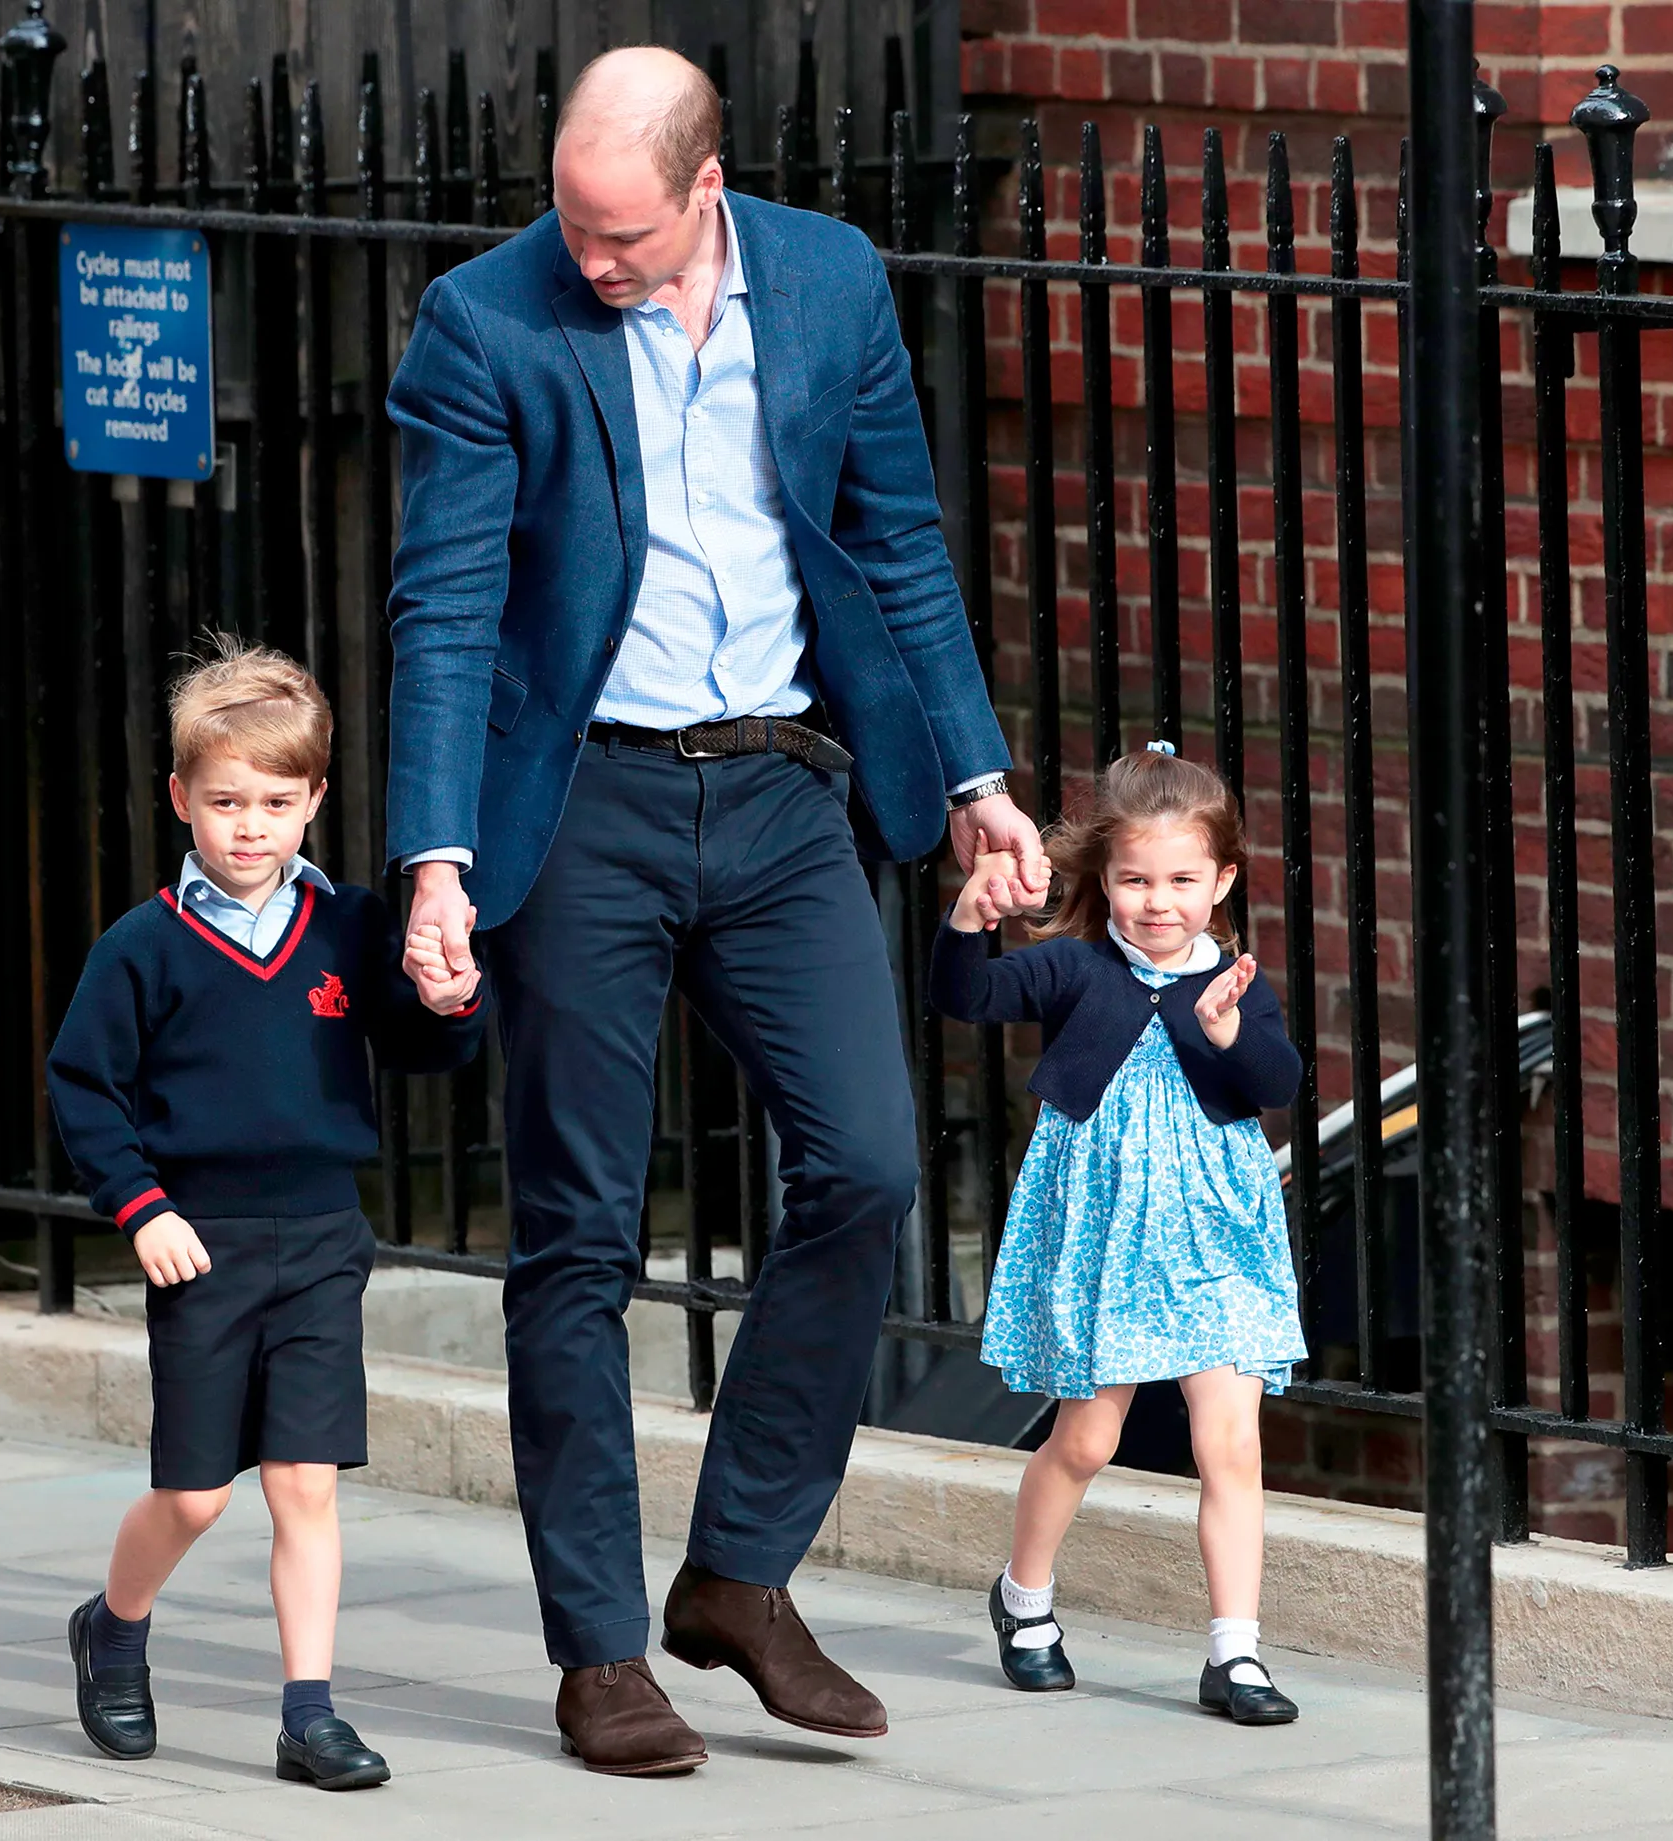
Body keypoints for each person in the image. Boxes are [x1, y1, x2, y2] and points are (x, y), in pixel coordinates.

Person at [385, 46, 1047, 1775]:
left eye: (618, 236)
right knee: (581, 1238)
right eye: (569, 223)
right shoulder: (486, 322)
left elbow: (899, 539)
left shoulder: (827, 280)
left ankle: (739, 1570)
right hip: (581, 800)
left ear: (705, 183)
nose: (586, 260)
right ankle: (601, 1650)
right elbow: (446, 606)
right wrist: (437, 856)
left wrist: (977, 778)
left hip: (778, 788)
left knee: (872, 1164)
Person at [44, 638, 487, 1789]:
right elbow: (82, 1087)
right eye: (227, 800)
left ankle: (308, 1712)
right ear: (182, 796)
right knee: (194, 1490)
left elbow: (425, 1039)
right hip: (198, 1245)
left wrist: (451, 999)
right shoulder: (140, 948)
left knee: (305, 1483)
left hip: (321, 1239)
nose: (251, 825)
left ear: (315, 801)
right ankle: (115, 1625)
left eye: (277, 802)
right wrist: (138, 1208)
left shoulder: (348, 924)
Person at [930, 743, 1308, 1726]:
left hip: (1216, 1236)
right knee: (1087, 1438)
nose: (1156, 900)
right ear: (1101, 876)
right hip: (1107, 1235)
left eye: (1181, 878)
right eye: (1134, 878)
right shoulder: (1069, 966)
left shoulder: (1230, 979)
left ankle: (1236, 1653)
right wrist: (966, 923)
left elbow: (1275, 1081)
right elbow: (966, 998)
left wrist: (1228, 1035)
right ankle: (1021, 1599)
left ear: (1220, 879)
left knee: (1228, 1441)